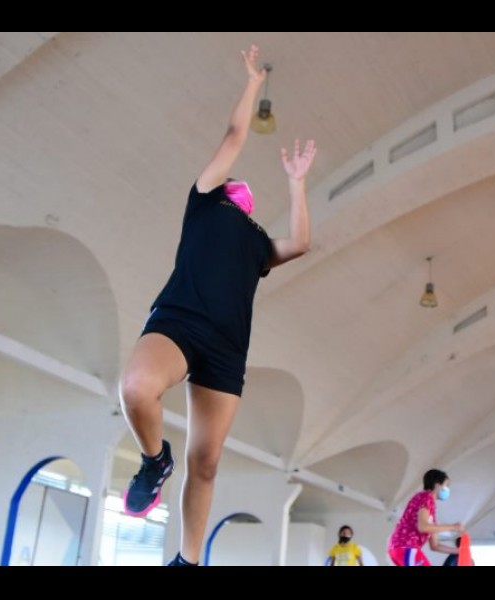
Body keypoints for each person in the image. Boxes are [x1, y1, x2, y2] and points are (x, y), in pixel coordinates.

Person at [118, 44, 317, 567]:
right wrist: (253, 83)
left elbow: (299, 243)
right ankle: (153, 460)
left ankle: (187, 560)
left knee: (205, 463)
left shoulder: (258, 244)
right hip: (179, 323)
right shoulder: (206, 199)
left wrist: (297, 185)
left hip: (227, 349)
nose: (241, 185)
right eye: (236, 182)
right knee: (136, 388)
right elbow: (234, 136)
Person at [388, 469, 464, 566]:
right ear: (437, 485)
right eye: (446, 485)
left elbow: (435, 546)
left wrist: (460, 551)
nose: (448, 489)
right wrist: (453, 527)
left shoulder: (430, 512)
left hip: (400, 549)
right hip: (406, 547)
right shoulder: (426, 497)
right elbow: (423, 527)